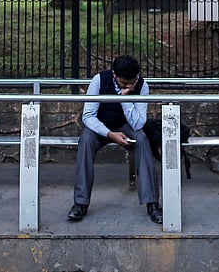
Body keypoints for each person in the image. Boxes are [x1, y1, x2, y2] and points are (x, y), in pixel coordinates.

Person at [67, 55, 162, 224]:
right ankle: (80, 203)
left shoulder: (141, 85)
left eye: (132, 81)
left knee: (141, 141)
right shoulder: (99, 80)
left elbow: (139, 123)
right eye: (124, 83)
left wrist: (124, 98)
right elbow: (88, 116)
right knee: (86, 141)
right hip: (99, 126)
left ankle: (152, 203)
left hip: (126, 126)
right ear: (114, 75)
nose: (129, 85)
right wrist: (109, 134)